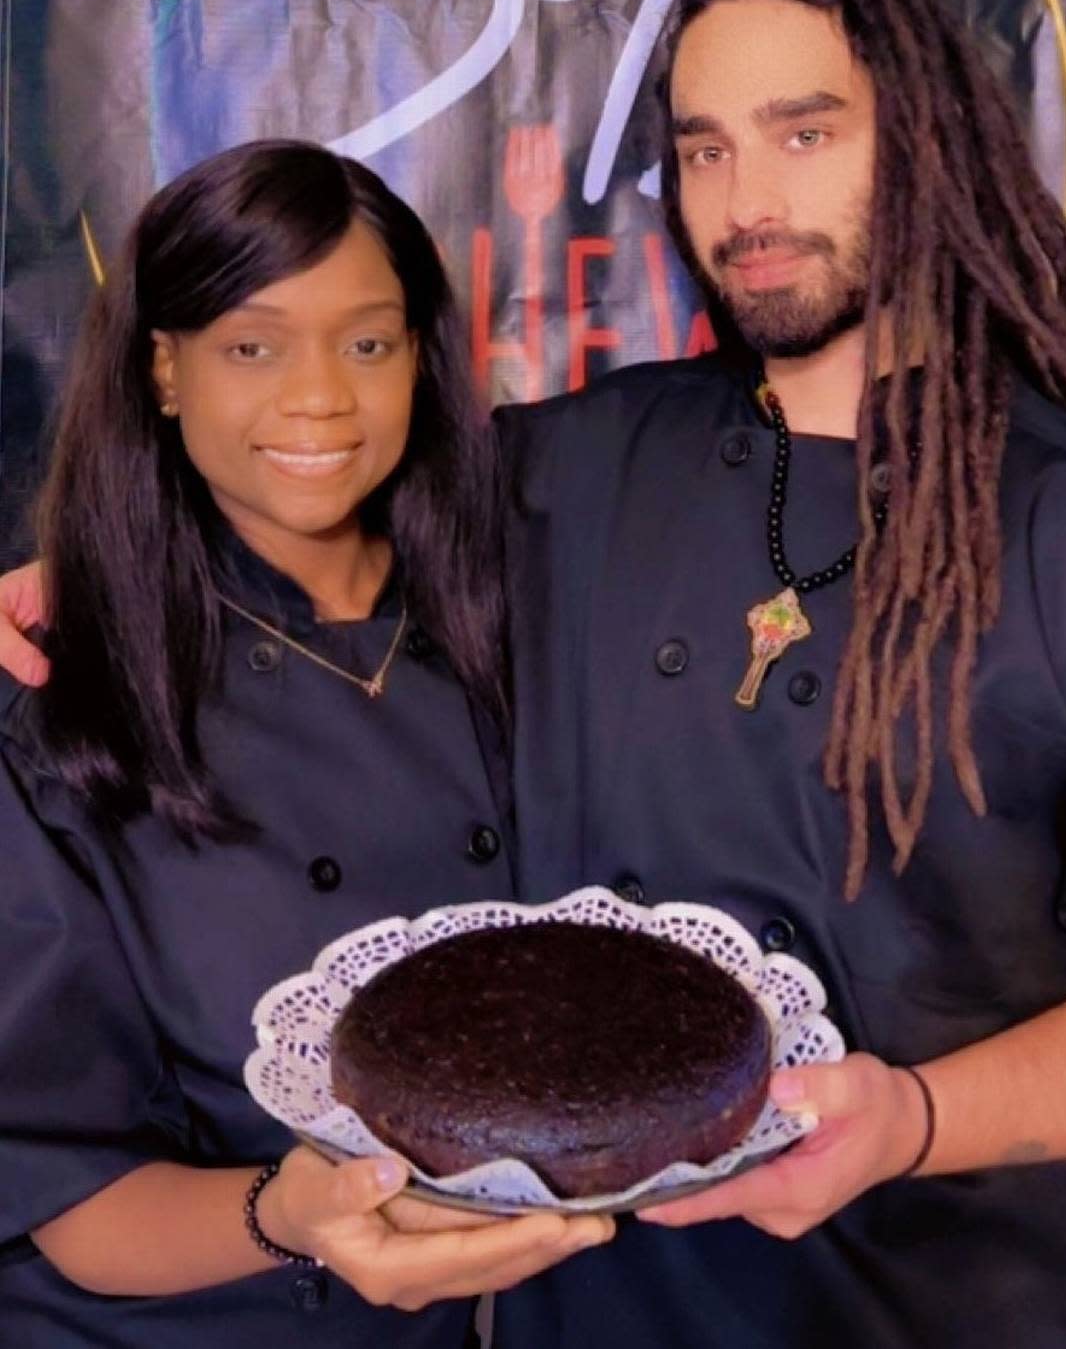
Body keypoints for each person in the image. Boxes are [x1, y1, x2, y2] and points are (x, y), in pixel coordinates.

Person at [488, 0, 1066, 1349]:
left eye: (804, 133)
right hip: (604, 1309)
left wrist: (912, 1117)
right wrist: (75, 570)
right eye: (709, 148)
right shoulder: (572, 467)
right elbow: (286, 555)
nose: (748, 202)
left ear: (927, 143)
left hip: (954, 1304)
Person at [0, 139, 611, 1348]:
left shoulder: (516, 618)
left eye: (368, 341)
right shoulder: (60, 700)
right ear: (163, 370)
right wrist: (294, 1209)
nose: (321, 395)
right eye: (251, 345)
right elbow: (67, 1192)